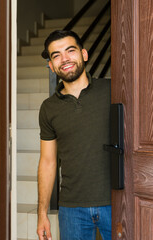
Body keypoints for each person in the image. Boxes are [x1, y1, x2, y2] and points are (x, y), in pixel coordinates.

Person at [37, 30, 111, 240]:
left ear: (84, 54)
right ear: (51, 65)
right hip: (72, 208)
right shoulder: (48, 108)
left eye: (70, 50)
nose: (65, 59)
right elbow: (48, 161)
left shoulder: (113, 90)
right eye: (56, 55)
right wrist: (42, 213)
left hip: (116, 201)